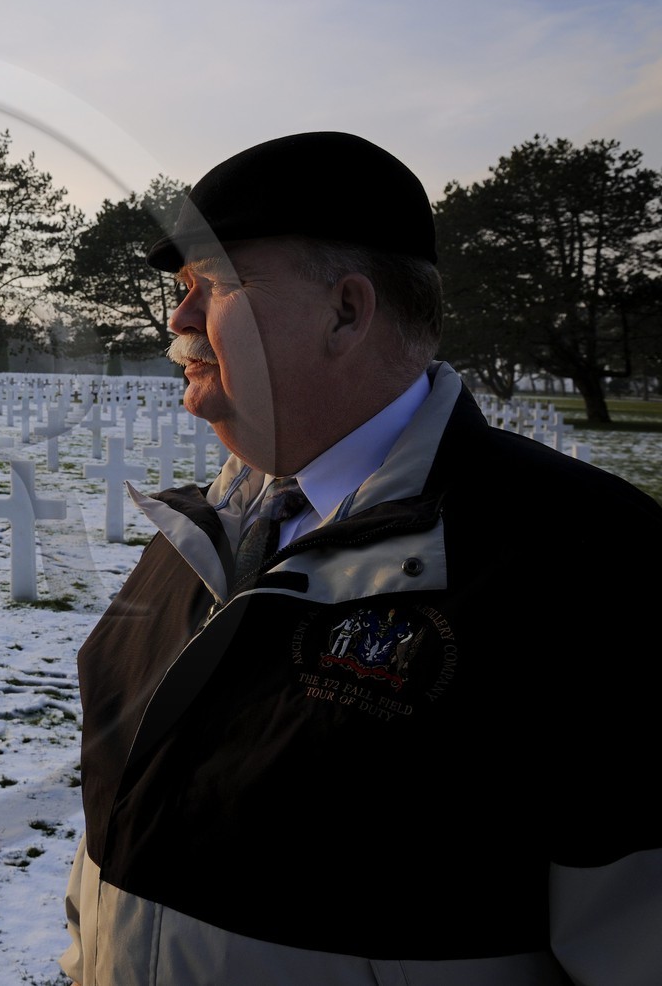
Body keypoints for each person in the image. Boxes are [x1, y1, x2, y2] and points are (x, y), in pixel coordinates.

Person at [62, 131, 662, 985]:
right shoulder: (199, 539)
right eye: (181, 290)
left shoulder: (592, 567)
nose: (179, 320)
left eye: (215, 286)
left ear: (347, 311)